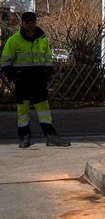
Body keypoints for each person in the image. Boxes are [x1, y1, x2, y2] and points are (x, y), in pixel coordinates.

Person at [1, 12, 70, 148]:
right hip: (23, 81)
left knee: (44, 109)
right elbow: (5, 61)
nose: (30, 25)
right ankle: (24, 137)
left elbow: (48, 59)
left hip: (38, 80)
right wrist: (14, 77)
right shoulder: (14, 40)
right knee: (23, 110)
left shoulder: (43, 39)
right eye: (27, 22)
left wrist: (47, 75)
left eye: (32, 22)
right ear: (22, 23)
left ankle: (51, 137)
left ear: (35, 22)